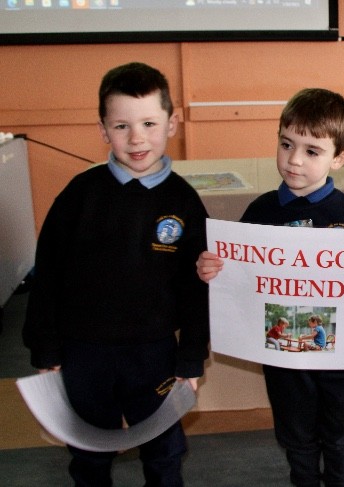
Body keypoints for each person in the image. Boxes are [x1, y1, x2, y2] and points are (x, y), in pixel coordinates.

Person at [196, 87, 344, 487]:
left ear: (339, 159)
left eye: (312, 151)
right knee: (295, 437)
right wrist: (214, 269)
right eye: (286, 144)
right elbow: (239, 278)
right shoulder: (260, 212)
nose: (294, 159)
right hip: (285, 361)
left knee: (340, 439)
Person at [22, 62, 210, 486]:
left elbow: (195, 288)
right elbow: (47, 274)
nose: (136, 138)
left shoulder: (184, 202)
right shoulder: (79, 195)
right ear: (104, 130)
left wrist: (191, 356)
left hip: (154, 354)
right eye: (122, 126)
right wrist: (46, 349)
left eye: (149, 123)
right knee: (89, 453)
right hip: (84, 353)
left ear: (172, 123)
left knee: (164, 451)